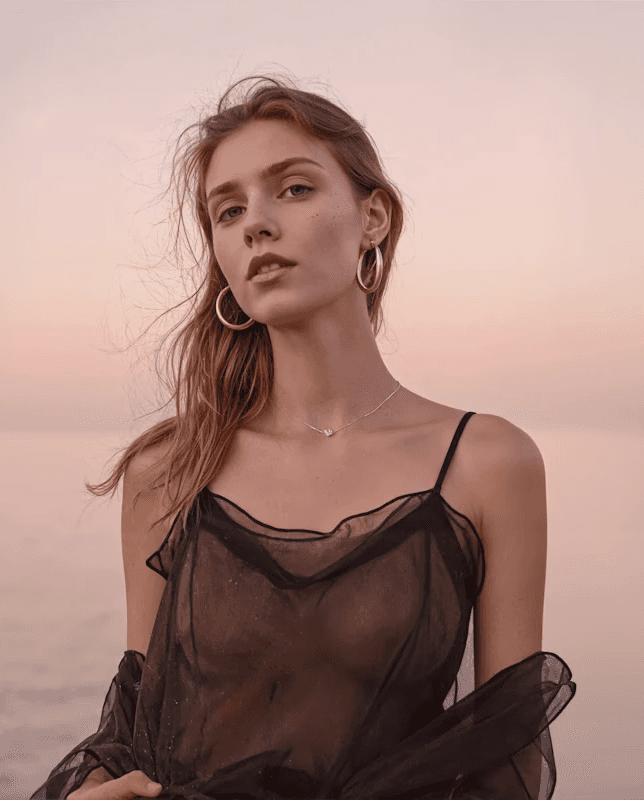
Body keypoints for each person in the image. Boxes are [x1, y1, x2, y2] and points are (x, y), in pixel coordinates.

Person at [30, 74, 576, 800]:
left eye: (293, 189)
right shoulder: (171, 470)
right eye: (228, 210)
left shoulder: (488, 464)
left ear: (373, 217)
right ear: (222, 256)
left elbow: (509, 759)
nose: (256, 223)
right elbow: (133, 729)